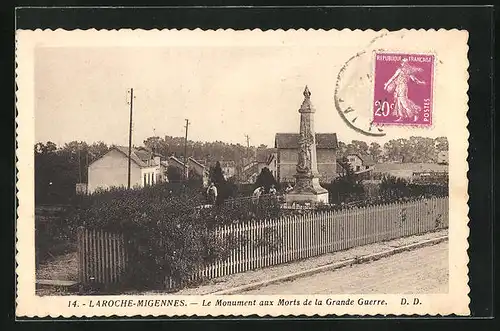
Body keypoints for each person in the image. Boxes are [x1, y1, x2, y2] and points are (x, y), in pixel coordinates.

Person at [383, 58, 426, 122]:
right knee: (399, 101)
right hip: (398, 87)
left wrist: (421, 82)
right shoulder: (399, 70)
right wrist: (386, 85)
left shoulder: (408, 71)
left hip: (403, 87)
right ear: (401, 63)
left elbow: (414, 79)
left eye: (406, 63)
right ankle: (401, 117)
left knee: (403, 101)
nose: (405, 64)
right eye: (403, 62)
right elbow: (392, 78)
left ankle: (415, 113)